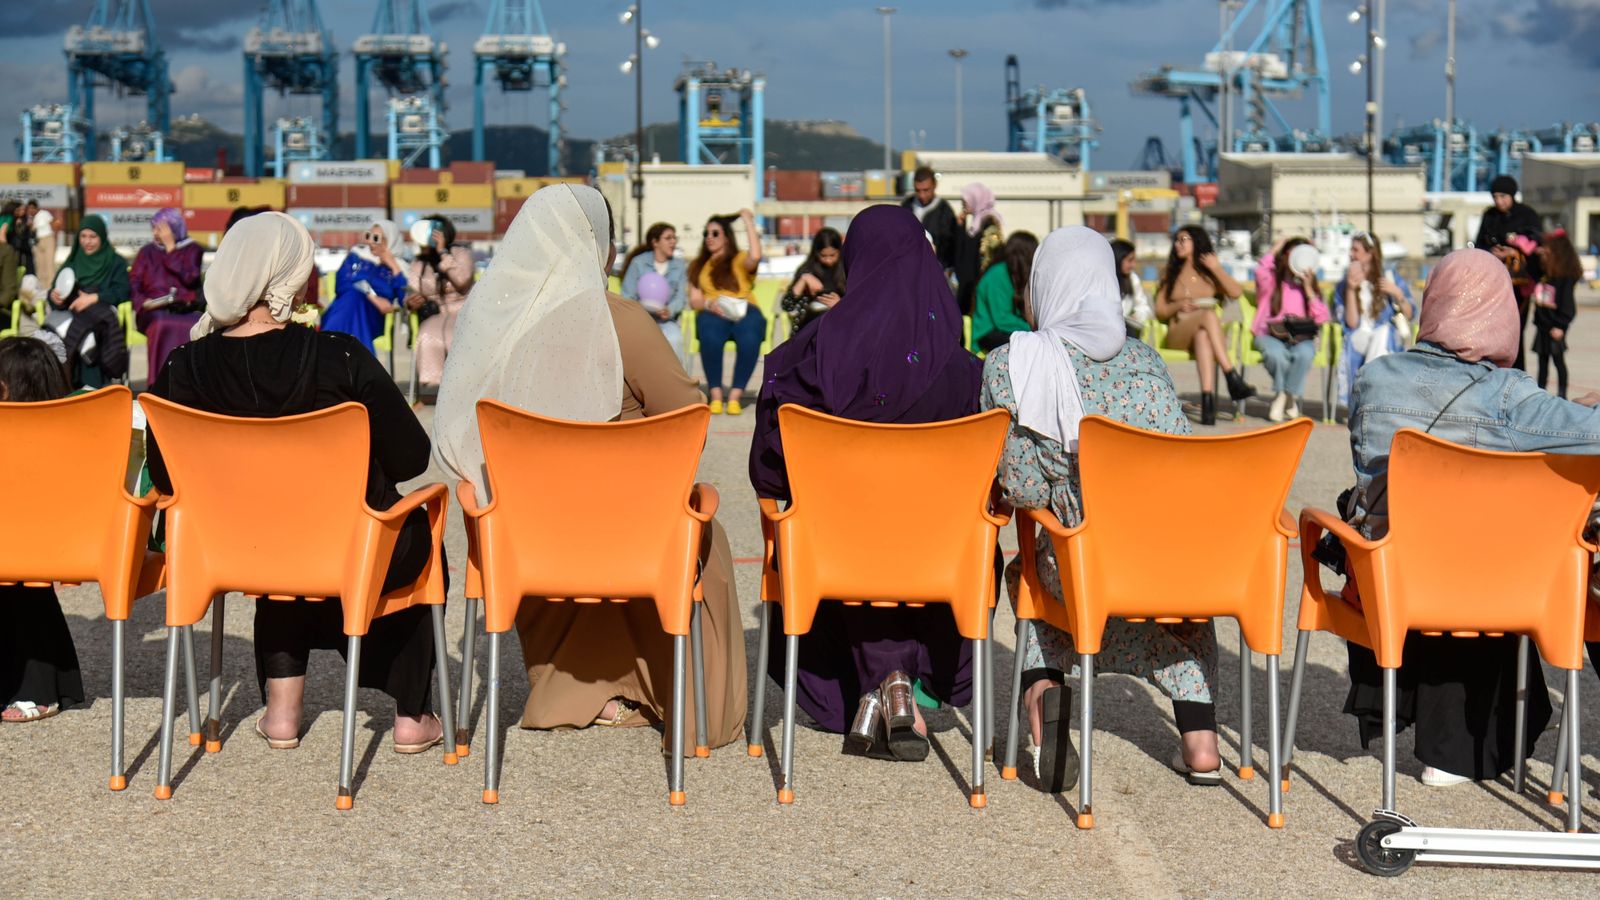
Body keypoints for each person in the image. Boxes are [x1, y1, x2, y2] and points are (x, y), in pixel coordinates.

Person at [432, 184, 746, 750]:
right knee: (704, 530)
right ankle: (679, 700)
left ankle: (574, 690)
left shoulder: (499, 324)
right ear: (597, 245)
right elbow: (686, 420)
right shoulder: (620, 320)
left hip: (526, 536)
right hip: (631, 533)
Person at [144, 212, 444, 752]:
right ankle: (409, 716)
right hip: (346, 549)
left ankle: (281, 712)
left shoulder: (183, 366)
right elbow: (411, 459)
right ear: (291, 276)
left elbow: (164, 476)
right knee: (410, 530)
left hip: (235, 551)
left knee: (277, 537)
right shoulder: (340, 356)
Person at [1340, 247, 1600, 784]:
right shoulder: (1507, 395)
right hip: (1488, 588)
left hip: (1388, 582)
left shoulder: (1374, 379)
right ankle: (1468, 742)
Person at [982, 226, 1221, 792]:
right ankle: (1201, 738)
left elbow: (1023, 490)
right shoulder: (1147, 362)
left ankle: (1043, 695)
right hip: (1172, 567)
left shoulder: (1014, 365)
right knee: (1169, 612)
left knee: (1031, 579)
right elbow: (1182, 462)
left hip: (1082, 566)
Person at [749, 204, 983, 762]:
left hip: (833, 556)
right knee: (910, 532)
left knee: (840, 524)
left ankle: (880, 687)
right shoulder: (965, 373)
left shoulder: (810, 356)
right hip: (942, 558)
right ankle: (898, 683)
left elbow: (767, 469)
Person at [0, 335, 85, 722]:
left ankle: (37, 687)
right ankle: (46, 684)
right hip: (51, 539)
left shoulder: (23, 434)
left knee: (22, 579)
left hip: (35, 544)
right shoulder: (72, 427)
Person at [1152, 226, 1254, 424]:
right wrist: (1179, 305)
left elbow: (1236, 293)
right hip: (1178, 332)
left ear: (1196, 242)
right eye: (1176, 240)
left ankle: (1208, 405)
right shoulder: (1170, 273)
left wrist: (1216, 268)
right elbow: (1160, 310)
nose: (1178, 244)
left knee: (1203, 336)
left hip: (1204, 333)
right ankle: (1231, 375)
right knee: (1208, 314)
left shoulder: (1209, 273)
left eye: (1183, 240)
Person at [688, 209, 765, 415]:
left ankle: (735, 396)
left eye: (715, 233)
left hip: (744, 308)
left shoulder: (739, 259)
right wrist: (708, 305)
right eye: (706, 233)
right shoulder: (698, 265)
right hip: (713, 310)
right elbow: (695, 300)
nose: (709, 237)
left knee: (750, 337)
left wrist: (747, 221)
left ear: (727, 237)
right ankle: (716, 395)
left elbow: (756, 255)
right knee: (709, 335)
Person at [1251, 237, 1331, 422]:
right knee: (1276, 355)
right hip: (1269, 333)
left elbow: (1321, 318)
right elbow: (1260, 270)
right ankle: (1286, 397)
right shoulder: (1272, 281)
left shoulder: (1309, 287)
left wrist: (1309, 289)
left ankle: (1284, 395)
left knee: (1305, 353)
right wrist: (1277, 247)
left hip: (1299, 336)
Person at [46, 215, 128, 389]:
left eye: (93, 237)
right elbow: (56, 290)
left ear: (102, 237)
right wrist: (54, 297)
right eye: (83, 236)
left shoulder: (115, 262)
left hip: (101, 312)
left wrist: (94, 298)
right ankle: (62, 384)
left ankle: (91, 387)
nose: (87, 242)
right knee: (50, 333)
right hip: (70, 312)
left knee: (89, 335)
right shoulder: (72, 262)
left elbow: (123, 291)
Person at [1332, 232, 1413, 405]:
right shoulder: (1344, 284)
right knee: (1383, 335)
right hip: (1358, 337)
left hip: (1384, 339)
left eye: (1355, 250)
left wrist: (1397, 293)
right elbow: (1351, 323)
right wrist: (1351, 289)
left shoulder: (1389, 278)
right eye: (1351, 249)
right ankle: (1373, 396)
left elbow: (1410, 314)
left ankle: (1368, 392)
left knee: (1383, 332)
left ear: (1370, 253)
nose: (1351, 254)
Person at [129, 208, 204, 383]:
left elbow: (190, 278)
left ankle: (187, 381)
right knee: (161, 323)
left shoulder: (193, 250)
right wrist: (143, 301)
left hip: (183, 308)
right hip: (152, 311)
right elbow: (134, 283)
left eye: (161, 229)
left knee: (193, 325)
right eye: (154, 228)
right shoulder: (146, 252)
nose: (156, 233)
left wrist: (171, 249)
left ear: (174, 228)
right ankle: (157, 381)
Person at [405, 214, 474, 397]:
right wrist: (411, 302)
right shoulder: (419, 264)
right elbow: (411, 290)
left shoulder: (461, 254)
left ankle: (467, 384)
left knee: (461, 336)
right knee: (428, 334)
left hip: (466, 311)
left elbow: (462, 280)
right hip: (438, 315)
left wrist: (443, 253)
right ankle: (434, 383)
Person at [320, 219, 408, 354]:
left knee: (352, 300)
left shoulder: (400, 267)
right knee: (353, 297)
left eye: (376, 238)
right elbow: (342, 282)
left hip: (372, 316)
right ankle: (360, 359)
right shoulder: (357, 256)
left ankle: (325, 345)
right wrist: (371, 296)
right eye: (368, 236)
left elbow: (404, 299)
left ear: (390, 241)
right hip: (347, 306)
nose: (370, 242)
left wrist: (394, 267)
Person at [619, 221, 689, 358]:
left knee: (675, 340)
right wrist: (642, 309)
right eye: (668, 238)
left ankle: (675, 373)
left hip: (667, 320)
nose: (673, 241)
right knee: (637, 344)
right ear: (655, 242)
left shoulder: (679, 265)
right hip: (640, 320)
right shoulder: (638, 263)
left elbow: (681, 298)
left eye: (674, 238)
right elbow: (627, 295)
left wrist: (669, 310)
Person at [1533, 230, 1582, 399]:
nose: (1545, 251)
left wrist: (1561, 326)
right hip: (1542, 324)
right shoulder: (1545, 273)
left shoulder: (1564, 278)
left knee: (1558, 361)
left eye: (1548, 248)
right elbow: (1531, 269)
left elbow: (1569, 307)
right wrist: (1536, 252)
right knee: (1542, 362)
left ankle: (1562, 395)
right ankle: (1540, 393)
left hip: (1555, 326)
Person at [970, 230, 1037, 352]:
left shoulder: (1014, 273)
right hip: (987, 333)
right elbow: (1001, 319)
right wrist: (1033, 328)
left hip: (1003, 329)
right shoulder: (998, 274)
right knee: (1030, 345)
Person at [778, 227, 845, 332]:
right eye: (823, 256)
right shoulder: (806, 270)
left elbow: (859, 305)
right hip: (810, 327)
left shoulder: (847, 270)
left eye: (832, 255)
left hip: (838, 326)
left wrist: (841, 305)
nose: (828, 260)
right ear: (816, 253)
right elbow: (788, 306)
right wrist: (803, 279)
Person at [952, 182, 1004, 315]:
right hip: (970, 286)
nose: (963, 204)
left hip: (979, 288)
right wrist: (960, 227)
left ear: (976, 199)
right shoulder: (976, 223)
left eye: (966, 200)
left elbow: (982, 259)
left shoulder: (989, 224)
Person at [901, 165, 959, 271]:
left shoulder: (944, 210)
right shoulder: (907, 206)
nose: (922, 195)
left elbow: (951, 244)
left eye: (926, 190)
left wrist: (948, 268)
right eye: (918, 190)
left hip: (937, 268)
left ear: (934, 185)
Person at [1473, 175, 1542, 252]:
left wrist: (1515, 251)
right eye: (1495, 197)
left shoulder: (1527, 214)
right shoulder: (1490, 215)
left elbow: (1537, 241)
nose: (1498, 201)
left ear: (1511, 195)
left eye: (1502, 196)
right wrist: (1491, 250)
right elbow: (1479, 244)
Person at [1112, 238, 1153, 339]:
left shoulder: (1132, 279)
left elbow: (1144, 307)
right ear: (1118, 259)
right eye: (1130, 260)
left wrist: (1138, 315)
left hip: (1125, 330)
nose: (1133, 265)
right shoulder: (1104, 279)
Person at [10, 200, 38, 277]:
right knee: (18, 264)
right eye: (20, 209)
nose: (22, 211)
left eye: (23, 209)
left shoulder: (26, 218)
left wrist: (32, 228)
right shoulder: (15, 219)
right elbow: (19, 232)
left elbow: (32, 233)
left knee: (30, 264)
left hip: (27, 245)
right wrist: (26, 225)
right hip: (18, 246)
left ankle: (30, 278)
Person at [32, 206, 57, 291]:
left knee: (49, 264)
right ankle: (42, 288)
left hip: (48, 238)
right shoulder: (32, 218)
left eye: (32, 208)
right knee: (40, 265)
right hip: (38, 241)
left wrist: (55, 235)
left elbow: (53, 223)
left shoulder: (44, 213)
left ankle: (51, 287)